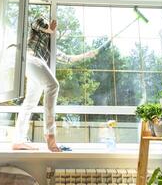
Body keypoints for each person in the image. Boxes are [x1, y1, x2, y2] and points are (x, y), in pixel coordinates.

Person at [12, 17, 111, 152]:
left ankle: (18, 141)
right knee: (53, 86)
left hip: (34, 66)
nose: (54, 30)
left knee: (30, 103)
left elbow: (68, 59)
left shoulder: (50, 47)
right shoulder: (41, 28)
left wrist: (87, 55)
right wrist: (49, 29)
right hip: (30, 57)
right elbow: (35, 23)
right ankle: (50, 135)